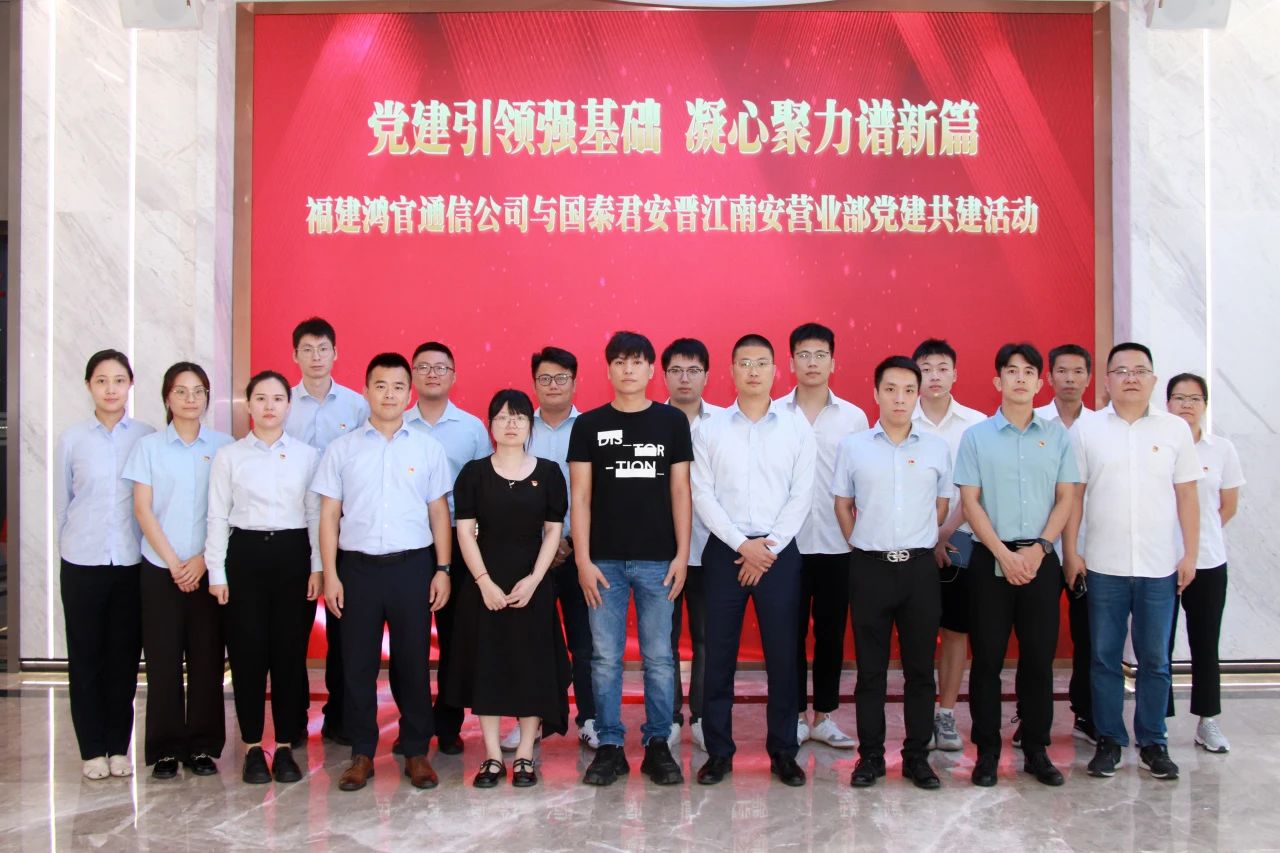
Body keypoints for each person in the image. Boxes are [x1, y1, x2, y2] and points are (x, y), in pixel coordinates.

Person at [312, 352, 453, 792]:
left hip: (412, 567)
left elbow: (439, 512)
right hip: (356, 570)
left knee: (413, 662)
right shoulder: (342, 449)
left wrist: (443, 569)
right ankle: (361, 753)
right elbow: (328, 515)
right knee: (357, 665)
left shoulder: (427, 448)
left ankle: (415, 751)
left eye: (397, 387)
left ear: (409, 393)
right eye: (380, 385)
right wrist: (330, 573)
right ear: (366, 391)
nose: (389, 394)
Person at [1066, 342, 1201, 781]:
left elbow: (1187, 496)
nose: (1130, 378)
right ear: (1106, 381)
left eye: (1140, 370)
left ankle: (1153, 741)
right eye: (1121, 371)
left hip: (1159, 567)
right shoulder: (1087, 429)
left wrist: (1190, 554)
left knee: (1155, 660)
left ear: (1153, 380)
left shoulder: (1174, 430)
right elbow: (1074, 496)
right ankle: (1109, 739)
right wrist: (1071, 552)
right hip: (1102, 565)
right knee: (1104, 658)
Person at [692, 334, 816, 788]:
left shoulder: (796, 428)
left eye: (761, 363)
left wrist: (768, 547)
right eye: (744, 363)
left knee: (783, 656)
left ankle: (784, 752)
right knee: (718, 656)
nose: (753, 371)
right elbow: (702, 494)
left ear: (775, 370)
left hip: (779, 554)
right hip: (725, 552)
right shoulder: (709, 429)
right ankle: (718, 752)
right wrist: (743, 545)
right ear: (731, 371)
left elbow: (802, 495)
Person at [570, 331, 692, 787]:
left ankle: (659, 742)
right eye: (619, 361)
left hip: (660, 562)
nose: (628, 369)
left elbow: (680, 491)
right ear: (608, 369)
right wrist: (583, 560)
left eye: (636, 361)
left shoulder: (671, 422)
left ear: (650, 369)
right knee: (605, 658)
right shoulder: (589, 426)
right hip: (603, 564)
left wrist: (682, 555)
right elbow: (580, 497)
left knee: (660, 657)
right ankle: (610, 745)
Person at [954, 343, 1079, 788]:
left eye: (1029, 371)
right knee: (987, 660)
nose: (1021, 378)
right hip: (990, 559)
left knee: (1039, 661)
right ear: (998, 380)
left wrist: (1041, 548)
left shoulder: (1057, 437)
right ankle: (987, 753)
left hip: (1040, 560)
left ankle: (1037, 750)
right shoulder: (976, 437)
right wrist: (1003, 554)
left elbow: (1066, 497)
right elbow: (970, 502)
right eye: (1012, 371)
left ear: (1040, 382)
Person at [444, 390, 571, 789]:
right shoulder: (473, 473)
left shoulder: (549, 473)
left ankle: (526, 755)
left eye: (518, 416)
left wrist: (536, 579)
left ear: (530, 425)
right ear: (490, 425)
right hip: (485, 585)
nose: (510, 423)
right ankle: (493, 756)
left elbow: (553, 531)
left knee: (532, 668)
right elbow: (464, 531)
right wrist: (483, 582)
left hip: (532, 585)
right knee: (489, 666)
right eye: (501, 417)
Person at [834, 356, 950, 790]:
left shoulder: (936, 447)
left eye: (908, 390)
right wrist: (861, 542)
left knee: (920, 671)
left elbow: (941, 505)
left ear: (917, 394)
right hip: (870, 569)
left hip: (919, 570)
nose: (899, 398)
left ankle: (917, 757)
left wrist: (918, 537)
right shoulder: (854, 447)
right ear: (876, 393)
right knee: (870, 671)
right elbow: (843, 504)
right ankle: (871, 757)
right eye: (890, 389)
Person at [205, 370, 322, 785]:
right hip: (245, 556)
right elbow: (217, 515)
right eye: (261, 398)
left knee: (289, 655)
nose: (269, 406)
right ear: (249, 405)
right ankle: (253, 746)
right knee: (247, 655)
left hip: (293, 556)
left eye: (277, 398)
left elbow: (314, 515)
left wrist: (317, 566)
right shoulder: (230, 456)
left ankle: (286, 746)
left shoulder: (308, 456)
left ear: (289, 405)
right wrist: (216, 571)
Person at [123, 361, 234, 779]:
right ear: (167, 397)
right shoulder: (149, 448)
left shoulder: (224, 447)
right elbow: (143, 509)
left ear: (207, 397)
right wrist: (173, 562)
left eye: (199, 391)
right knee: (163, 660)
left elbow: (229, 510)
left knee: (207, 660)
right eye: (181, 391)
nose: (191, 399)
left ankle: (203, 746)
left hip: (208, 568)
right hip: (160, 568)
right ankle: (166, 749)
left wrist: (203, 560)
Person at [55, 349, 156, 780]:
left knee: (123, 659)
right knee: (85, 658)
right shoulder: (72, 439)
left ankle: (118, 747)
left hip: (131, 562)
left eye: (118, 380)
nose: (111, 389)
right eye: (101, 380)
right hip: (82, 560)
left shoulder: (147, 437)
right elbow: (63, 504)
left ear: (130, 385)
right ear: (89, 386)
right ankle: (92, 750)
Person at [773, 322, 867, 749]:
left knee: (831, 633)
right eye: (804, 355)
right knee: (788, 633)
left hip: (837, 543)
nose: (812, 362)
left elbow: (862, 480)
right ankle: (794, 716)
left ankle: (825, 715)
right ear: (791, 362)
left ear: (833, 361)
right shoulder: (774, 412)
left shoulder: (854, 417)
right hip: (785, 544)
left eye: (820, 355)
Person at [283, 316, 370, 747]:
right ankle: (293, 718)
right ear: (295, 355)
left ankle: (340, 716)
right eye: (307, 349)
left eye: (323, 349)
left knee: (344, 630)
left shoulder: (356, 406)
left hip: (344, 528)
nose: (316, 357)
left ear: (336, 353)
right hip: (291, 528)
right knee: (292, 630)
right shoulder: (281, 402)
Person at [404, 341, 490, 756]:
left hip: (459, 541)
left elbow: (485, 489)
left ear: (454, 376)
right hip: (409, 541)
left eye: (441, 368)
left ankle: (449, 723)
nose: (432, 374)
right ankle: (413, 724)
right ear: (412, 376)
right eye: (424, 367)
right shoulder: (397, 424)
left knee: (456, 638)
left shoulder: (472, 428)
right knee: (410, 639)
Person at [509, 346, 597, 751]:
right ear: (534, 384)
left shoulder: (592, 427)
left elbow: (598, 494)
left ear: (575, 382)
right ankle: (533, 719)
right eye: (545, 378)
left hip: (581, 552)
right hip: (529, 555)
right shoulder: (520, 429)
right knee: (531, 640)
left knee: (586, 642)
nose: (553, 385)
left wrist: (570, 543)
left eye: (562, 378)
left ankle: (590, 718)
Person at [1015, 343, 1098, 748]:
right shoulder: (1031, 422)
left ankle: (1086, 713)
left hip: (1089, 549)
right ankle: (1029, 717)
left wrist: (1075, 551)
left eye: (1078, 371)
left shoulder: (1101, 427)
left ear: (1089, 378)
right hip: (1039, 550)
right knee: (1035, 642)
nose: (1069, 378)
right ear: (1047, 377)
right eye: (1062, 371)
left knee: (1089, 638)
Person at [911, 338, 986, 752]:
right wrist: (929, 535)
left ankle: (946, 713)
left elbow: (977, 489)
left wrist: (944, 533)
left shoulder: (976, 424)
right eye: (926, 368)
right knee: (918, 631)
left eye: (942, 368)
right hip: (913, 543)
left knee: (956, 630)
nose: (934, 376)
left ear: (955, 374)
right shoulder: (900, 418)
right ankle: (920, 715)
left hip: (962, 541)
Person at [1165, 373, 1243, 754]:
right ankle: (1157, 722)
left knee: (1205, 642)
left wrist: (1195, 541)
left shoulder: (1222, 449)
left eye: (1194, 398)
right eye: (1179, 398)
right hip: (1161, 560)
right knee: (1158, 645)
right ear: (1167, 404)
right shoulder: (1159, 447)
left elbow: (1227, 507)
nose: (1187, 405)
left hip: (1209, 561)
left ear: (1205, 405)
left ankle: (1207, 721)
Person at [662, 337, 723, 752]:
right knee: (662, 641)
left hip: (711, 548)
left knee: (706, 639)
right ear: (664, 375)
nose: (685, 378)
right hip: (662, 552)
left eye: (693, 370)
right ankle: (667, 717)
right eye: (676, 370)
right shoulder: (650, 421)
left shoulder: (724, 424)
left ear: (706, 375)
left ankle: (701, 717)